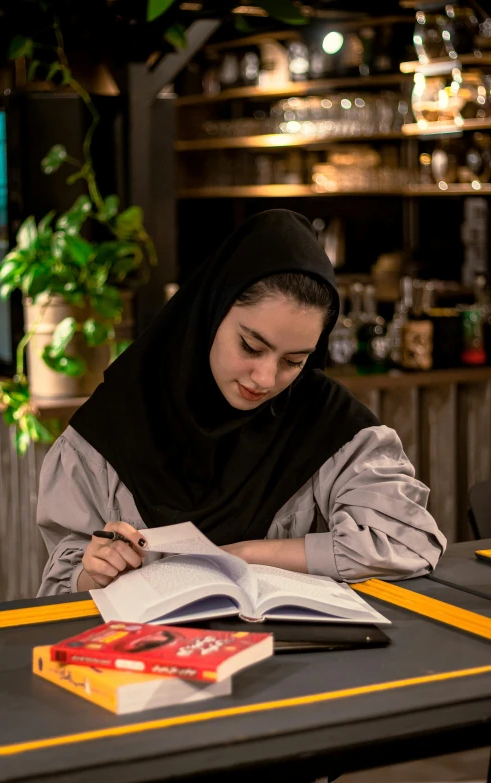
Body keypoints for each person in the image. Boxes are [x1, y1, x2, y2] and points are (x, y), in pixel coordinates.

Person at [36, 209, 446, 596]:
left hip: (293, 662)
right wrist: (95, 572)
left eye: (294, 361)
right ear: (209, 316)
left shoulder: (323, 420)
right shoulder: (111, 427)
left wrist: (244, 556)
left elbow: (408, 541)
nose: (266, 380)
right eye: (251, 346)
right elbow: (57, 588)